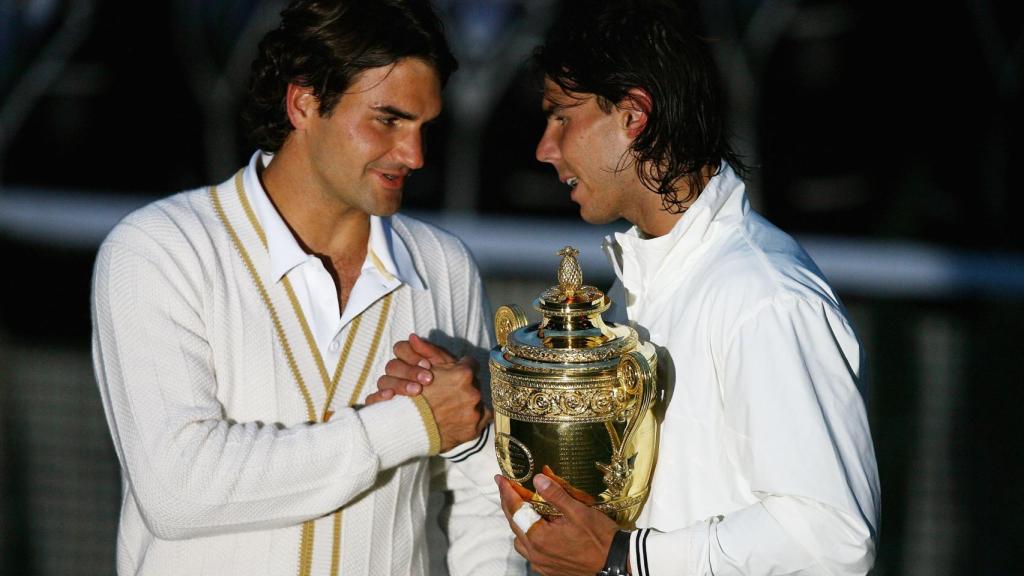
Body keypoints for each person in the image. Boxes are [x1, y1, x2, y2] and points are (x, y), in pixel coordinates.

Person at [375, 1, 881, 574]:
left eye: (562, 116)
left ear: (634, 115)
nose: (545, 147)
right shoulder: (643, 285)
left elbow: (832, 537)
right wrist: (474, 416)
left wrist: (622, 558)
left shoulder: (762, 295)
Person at [90, 1, 524, 574]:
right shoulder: (159, 249)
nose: (413, 155)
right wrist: (409, 426)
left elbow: (482, 489)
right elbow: (178, 490)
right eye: (388, 120)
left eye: (424, 127)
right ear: (304, 103)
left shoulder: (442, 265)